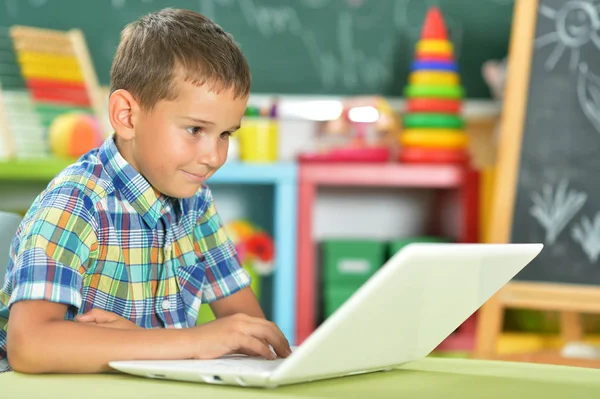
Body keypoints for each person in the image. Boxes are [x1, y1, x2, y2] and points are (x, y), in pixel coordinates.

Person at [0, 8, 291, 374]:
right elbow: (29, 344)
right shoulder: (77, 203)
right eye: (195, 130)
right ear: (127, 116)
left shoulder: (196, 204)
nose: (214, 155)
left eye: (225, 134)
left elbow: (251, 335)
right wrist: (191, 342)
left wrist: (143, 342)